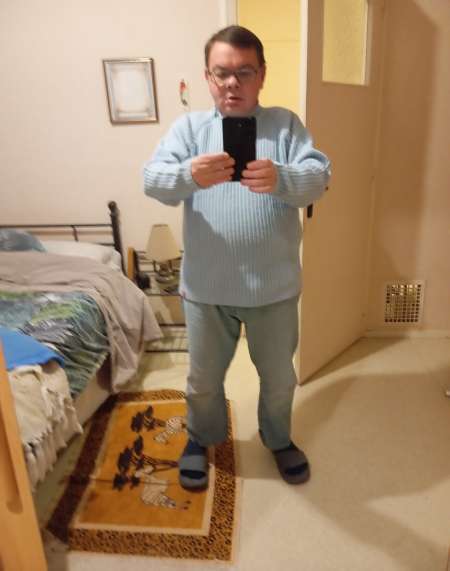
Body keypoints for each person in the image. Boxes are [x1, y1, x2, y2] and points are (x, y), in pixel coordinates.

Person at [143, 25, 330, 489]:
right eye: (222, 73)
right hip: (206, 289)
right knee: (203, 379)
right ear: (207, 77)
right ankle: (199, 438)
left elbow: (319, 178)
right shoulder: (189, 130)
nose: (232, 83)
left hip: (274, 289)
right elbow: (152, 181)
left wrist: (282, 179)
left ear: (262, 75)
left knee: (279, 379)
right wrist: (189, 174)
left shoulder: (285, 125)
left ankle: (278, 439)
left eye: (244, 72)